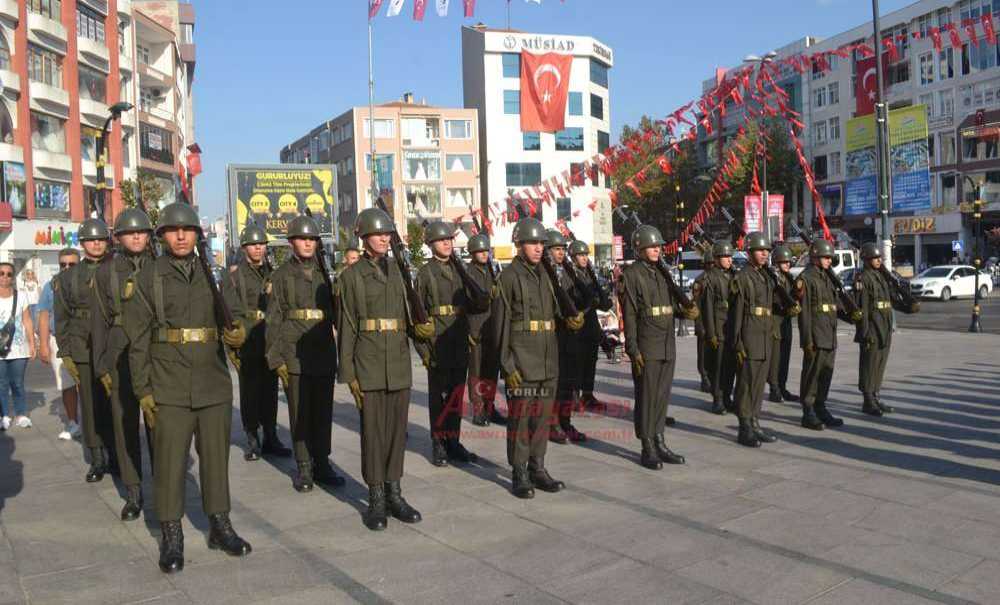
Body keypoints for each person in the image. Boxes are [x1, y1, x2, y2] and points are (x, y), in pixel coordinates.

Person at [122, 202, 251, 573]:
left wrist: (238, 331)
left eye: (188, 230)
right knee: (169, 463)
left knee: (215, 459)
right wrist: (144, 390)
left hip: (212, 381)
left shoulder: (214, 274)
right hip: (169, 383)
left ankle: (220, 525)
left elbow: (235, 314)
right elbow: (138, 340)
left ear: (197, 234)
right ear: (162, 236)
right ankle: (171, 534)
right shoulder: (148, 277)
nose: (181, 236)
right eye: (174, 230)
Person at [338, 207, 429, 530]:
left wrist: (424, 341)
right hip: (370, 364)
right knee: (373, 435)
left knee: (395, 434)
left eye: (387, 234)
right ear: (364, 237)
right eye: (378, 234)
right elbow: (348, 326)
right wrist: (349, 374)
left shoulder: (401, 273)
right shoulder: (350, 277)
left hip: (399, 365)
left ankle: (395, 492)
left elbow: (411, 318)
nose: (384, 238)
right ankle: (376, 497)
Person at [493, 217, 583, 498]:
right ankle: (519, 471)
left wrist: (571, 319)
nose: (538, 248)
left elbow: (554, 313)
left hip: (547, 358)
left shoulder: (546, 275)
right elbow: (500, 327)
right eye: (532, 243)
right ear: (518, 244)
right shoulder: (508, 278)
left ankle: (538, 466)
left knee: (542, 417)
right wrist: (507, 367)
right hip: (521, 360)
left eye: (541, 243)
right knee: (521, 418)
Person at [266, 215, 343, 492]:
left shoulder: (326, 273)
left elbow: (337, 315)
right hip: (294, 351)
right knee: (300, 412)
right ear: (291, 242)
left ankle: (322, 462)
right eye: (302, 238)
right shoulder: (281, 275)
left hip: (322, 350)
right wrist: (275, 358)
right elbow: (274, 319)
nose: (308, 243)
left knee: (323, 411)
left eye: (312, 239)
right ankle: (304, 466)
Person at [90, 209, 155, 521]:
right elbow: (99, 322)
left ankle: (165, 483)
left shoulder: (160, 266)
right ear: (118, 237)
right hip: (119, 351)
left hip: (155, 352)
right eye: (131, 233)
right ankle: (133, 490)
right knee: (124, 423)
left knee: (159, 422)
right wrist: (100, 365)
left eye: (142, 231)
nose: (137, 237)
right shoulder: (105, 272)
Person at [414, 221, 488, 465]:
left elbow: (479, 304)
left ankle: (453, 441)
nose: (447, 243)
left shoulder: (461, 271)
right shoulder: (425, 273)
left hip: (458, 341)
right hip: (437, 343)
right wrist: (424, 351)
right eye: (441, 239)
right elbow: (417, 315)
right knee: (439, 397)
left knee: (456, 395)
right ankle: (438, 442)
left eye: (449, 239)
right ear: (431, 244)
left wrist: (469, 279)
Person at [620, 225, 692, 470]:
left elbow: (671, 304)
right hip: (647, 344)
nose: (657, 250)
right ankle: (647, 445)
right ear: (639, 248)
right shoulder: (631, 275)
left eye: (658, 246)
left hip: (666, 343)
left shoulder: (663, 272)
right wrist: (633, 349)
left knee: (661, 396)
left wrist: (686, 311)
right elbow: (629, 314)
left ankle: (660, 439)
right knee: (647, 396)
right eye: (652, 246)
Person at [54, 218, 117, 482]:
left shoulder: (117, 270)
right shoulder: (68, 277)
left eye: (101, 239)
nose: (96, 244)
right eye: (92, 240)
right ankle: (97, 457)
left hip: (112, 343)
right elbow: (62, 317)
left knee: (115, 402)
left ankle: (117, 454)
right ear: (82, 243)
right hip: (83, 345)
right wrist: (66, 352)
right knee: (90, 405)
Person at [225, 224, 290, 462]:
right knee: (250, 391)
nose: (258, 249)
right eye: (254, 245)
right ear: (244, 248)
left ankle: (271, 435)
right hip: (249, 340)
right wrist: (235, 341)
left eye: (262, 244)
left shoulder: (273, 273)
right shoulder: (234, 277)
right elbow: (230, 311)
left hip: (269, 338)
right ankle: (252, 437)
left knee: (270, 390)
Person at [796, 239, 861, 430]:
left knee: (826, 374)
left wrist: (853, 317)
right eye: (825, 257)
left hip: (829, 335)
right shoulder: (806, 278)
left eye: (830, 258)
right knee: (812, 374)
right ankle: (808, 411)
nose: (828, 261)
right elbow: (805, 312)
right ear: (815, 257)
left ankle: (821, 406)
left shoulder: (827, 278)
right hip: (815, 336)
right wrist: (807, 340)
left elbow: (836, 306)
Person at [728, 232, 780, 448]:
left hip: (765, 335)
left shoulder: (766, 276)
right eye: (761, 250)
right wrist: (737, 341)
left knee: (759, 384)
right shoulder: (742, 277)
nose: (765, 254)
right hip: (749, 335)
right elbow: (736, 314)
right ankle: (744, 426)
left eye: (767, 251)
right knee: (747, 383)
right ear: (749, 252)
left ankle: (755, 421)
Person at [547, 229, 589, 444]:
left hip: (571, 334)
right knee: (555, 383)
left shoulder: (569, 273)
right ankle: (552, 423)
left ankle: (565, 421)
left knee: (568, 382)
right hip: (554, 336)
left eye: (563, 249)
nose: (561, 253)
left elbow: (582, 299)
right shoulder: (544, 275)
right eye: (557, 249)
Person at [854, 243, 906, 417]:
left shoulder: (882, 277)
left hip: (884, 327)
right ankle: (867, 399)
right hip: (872, 329)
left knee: (879, 364)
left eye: (879, 258)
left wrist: (909, 304)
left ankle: (875, 396)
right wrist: (865, 332)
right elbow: (863, 308)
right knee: (869, 365)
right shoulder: (864, 278)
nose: (878, 261)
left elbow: (891, 300)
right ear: (867, 260)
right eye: (875, 258)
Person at [37, 249, 81, 440]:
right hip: (59, 340)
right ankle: (72, 423)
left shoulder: (89, 282)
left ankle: (96, 424)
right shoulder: (51, 285)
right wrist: (44, 345)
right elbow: (44, 315)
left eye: (71, 264)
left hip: (85, 339)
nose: (67, 268)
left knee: (90, 384)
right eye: (63, 264)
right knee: (67, 384)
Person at [570, 240, 614, 411]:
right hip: (578, 325)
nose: (584, 258)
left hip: (591, 324)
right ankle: (574, 395)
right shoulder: (571, 274)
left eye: (586, 255)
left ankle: (587, 394)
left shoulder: (589, 274)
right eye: (581, 255)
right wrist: (593, 300)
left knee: (591, 361)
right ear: (573, 257)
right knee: (577, 362)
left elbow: (600, 301)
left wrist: (603, 300)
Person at [466, 233, 505, 427]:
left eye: (486, 250)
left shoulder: (491, 271)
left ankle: (490, 406)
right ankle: (478, 409)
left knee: (491, 369)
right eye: (480, 251)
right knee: (476, 371)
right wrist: (467, 330)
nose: (484, 254)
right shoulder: (468, 272)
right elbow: (463, 305)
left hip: (492, 326)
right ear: (472, 252)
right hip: (475, 328)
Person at [700, 242, 736, 415]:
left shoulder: (733, 275)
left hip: (731, 328)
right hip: (718, 327)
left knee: (730, 366)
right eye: (725, 256)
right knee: (718, 366)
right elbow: (707, 308)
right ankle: (718, 399)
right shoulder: (710, 278)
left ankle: (727, 396)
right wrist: (711, 333)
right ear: (716, 258)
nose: (729, 260)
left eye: (730, 256)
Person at [0, 262, 35, 430]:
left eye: (8, 274)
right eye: (1, 273)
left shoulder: (20, 296)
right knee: (1, 383)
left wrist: (32, 343)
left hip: (19, 348)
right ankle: (4, 415)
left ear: (13, 277)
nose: (4, 277)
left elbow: (27, 320)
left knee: (18, 383)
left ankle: (21, 414)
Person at [767, 245, 799, 403]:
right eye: (784, 262)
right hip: (775, 321)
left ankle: (782, 386)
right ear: (777, 262)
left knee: (785, 356)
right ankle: (774, 388)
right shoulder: (774, 278)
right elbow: (774, 299)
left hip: (785, 321)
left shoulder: (788, 278)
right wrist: (787, 305)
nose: (788, 264)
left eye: (789, 262)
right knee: (775, 357)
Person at [691, 247, 715, 393]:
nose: (712, 266)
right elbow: (696, 304)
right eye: (710, 263)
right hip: (704, 322)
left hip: (716, 322)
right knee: (703, 352)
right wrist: (699, 325)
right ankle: (704, 377)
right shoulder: (700, 281)